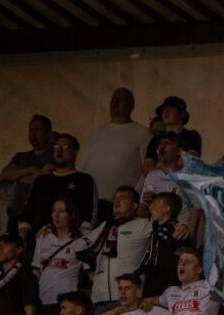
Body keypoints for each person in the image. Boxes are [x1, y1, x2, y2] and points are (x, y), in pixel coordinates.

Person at [78, 88, 152, 222]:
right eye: (113, 98)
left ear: (131, 106)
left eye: (121, 99)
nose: (115, 102)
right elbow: (83, 163)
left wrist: (133, 197)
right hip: (88, 200)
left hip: (116, 206)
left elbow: (146, 171)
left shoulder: (142, 133)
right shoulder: (98, 132)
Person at [79, 187, 151, 315]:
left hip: (129, 299)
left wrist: (184, 226)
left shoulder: (143, 224)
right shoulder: (105, 226)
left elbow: (165, 228)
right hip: (101, 299)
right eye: (115, 199)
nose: (117, 202)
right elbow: (80, 247)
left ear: (135, 205)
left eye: (123, 198)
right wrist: (89, 271)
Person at [31, 197, 88, 315]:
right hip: (43, 302)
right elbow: (36, 270)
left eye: (61, 211)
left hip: (66, 304)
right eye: (54, 211)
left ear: (71, 215)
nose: (56, 215)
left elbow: (90, 271)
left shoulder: (80, 241)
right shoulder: (43, 237)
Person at [19, 133, 98, 240]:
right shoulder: (41, 180)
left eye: (65, 147)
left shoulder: (84, 180)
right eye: (56, 146)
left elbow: (89, 212)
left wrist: (82, 237)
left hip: (69, 243)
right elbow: (28, 209)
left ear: (75, 152)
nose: (59, 150)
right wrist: (22, 234)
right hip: (39, 240)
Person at [0, 114, 55, 224]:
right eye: (31, 130)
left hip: (40, 217)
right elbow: (5, 174)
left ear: (48, 133)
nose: (33, 134)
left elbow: (43, 177)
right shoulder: (21, 157)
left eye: (38, 130)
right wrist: (31, 169)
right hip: (16, 214)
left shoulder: (54, 155)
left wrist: (19, 176)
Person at [140, 134, 198, 231]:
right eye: (160, 143)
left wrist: (191, 234)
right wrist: (146, 204)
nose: (162, 146)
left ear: (179, 151)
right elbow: (141, 212)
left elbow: (194, 212)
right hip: (155, 231)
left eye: (167, 143)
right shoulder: (152, 176)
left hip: (179, 232)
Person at [143, 96, 202, 171]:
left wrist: (160, 166)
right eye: (164, 109)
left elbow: (188, 162)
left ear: (182, 114)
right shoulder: (156, 139)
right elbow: (146, 169)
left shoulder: (192, 135)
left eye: (171, 108)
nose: (166, 111)